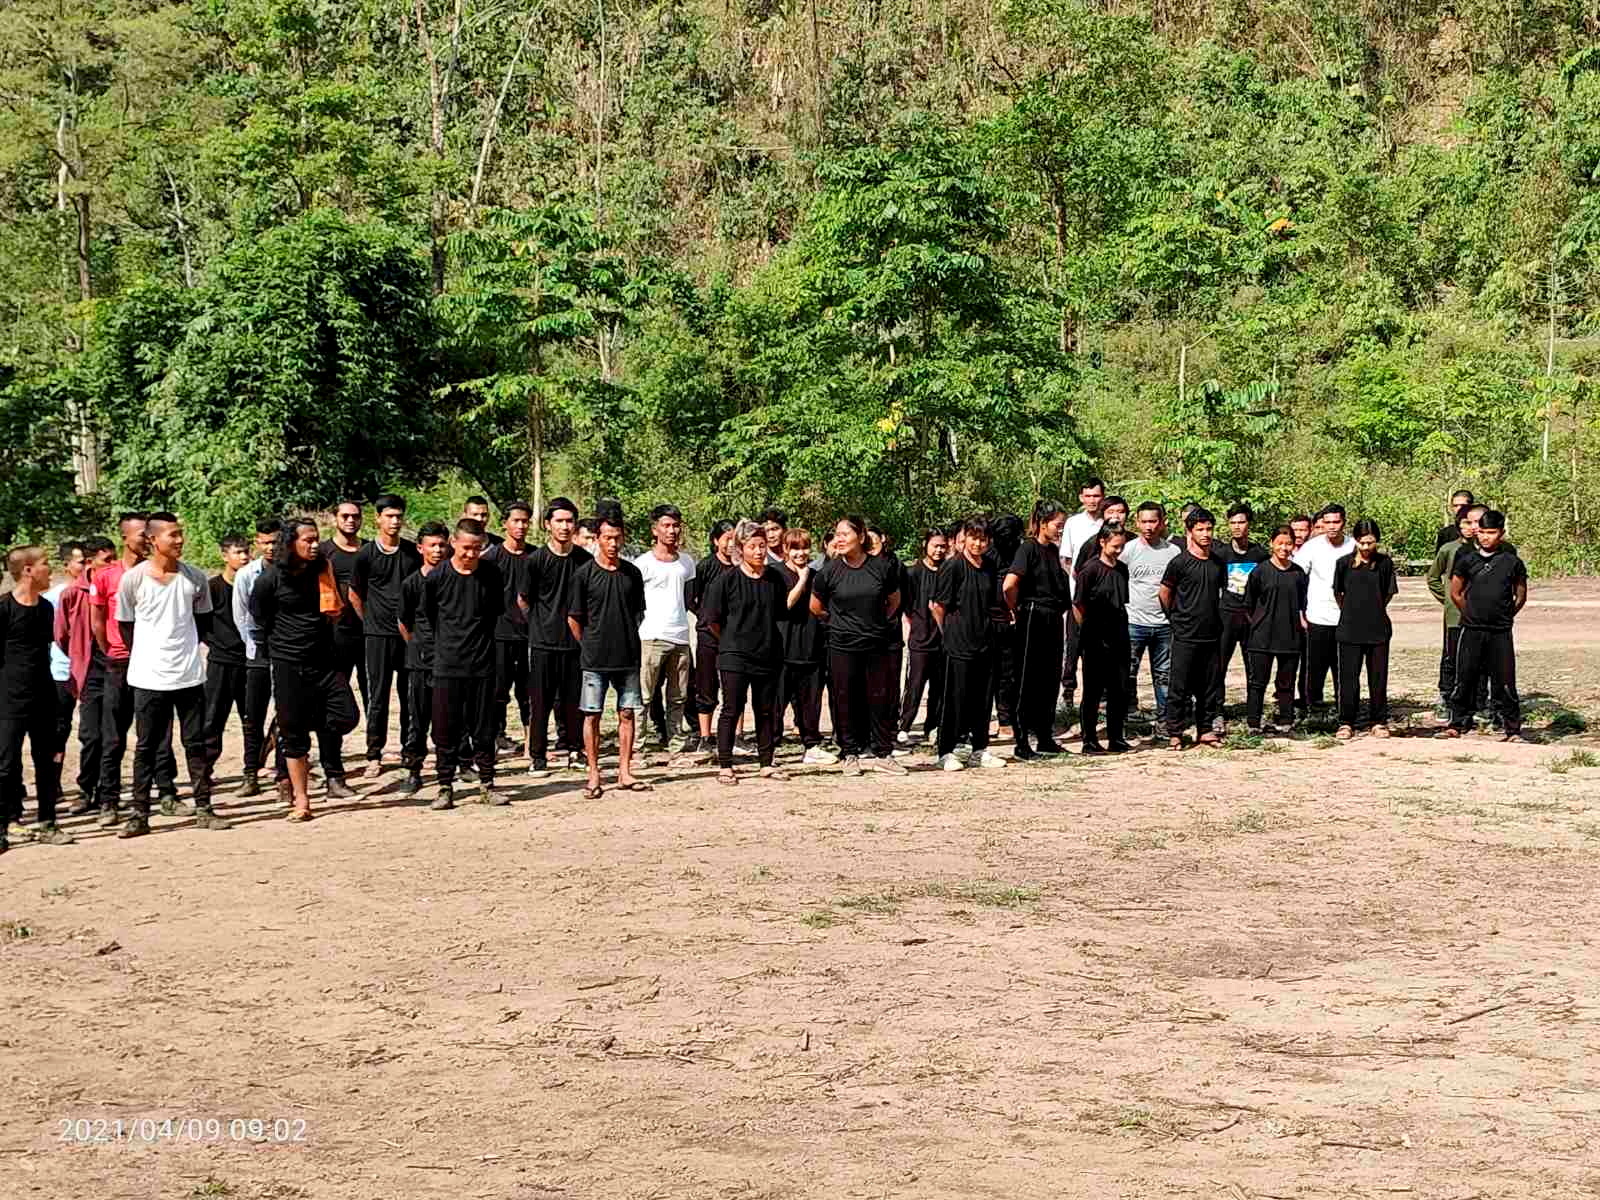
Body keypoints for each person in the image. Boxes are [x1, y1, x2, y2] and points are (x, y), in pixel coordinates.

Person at [113, 512, 228, 838]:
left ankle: (204, 808)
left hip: (189, 676)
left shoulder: (194, 578)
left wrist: (189, 653)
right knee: (146, 746)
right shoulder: (133, 579)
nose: (179, 541)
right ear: (153, 540)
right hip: (148, 678)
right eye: (173, 535)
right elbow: (126, 627)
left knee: (196, 743)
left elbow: (204, 622)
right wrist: (148, 656)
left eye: (181, 534)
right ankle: (139, 814)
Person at [251, 518, 359, 820]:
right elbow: (259, 617)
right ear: (290, 543)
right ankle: (301, 800)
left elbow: (335, 610)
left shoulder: (323, 570)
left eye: (316, 540)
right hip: (288, 664)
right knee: (295, 735)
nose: (314, 545)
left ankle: (289, 725)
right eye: (307, 540)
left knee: (346, 716)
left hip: (324, 659)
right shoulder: (270, 579)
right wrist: (280, 647)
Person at [810, 516, 906, 777]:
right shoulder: (829, 571)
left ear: (861, 537)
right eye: (836, 534)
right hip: (841, 645)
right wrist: (839, 624)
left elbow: (894, 601)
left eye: (845, 534)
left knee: (880, 699)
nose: (838, 539)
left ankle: (883, 753)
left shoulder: (881, 567)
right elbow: (816, 607)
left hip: (877, 644)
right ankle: (849, 753)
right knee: (845, 699)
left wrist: (876, 623)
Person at [421, 519, 506, 808]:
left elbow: (495, 613)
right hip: (447, 665)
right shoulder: (437, 577)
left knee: (484, 727)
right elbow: (430, 616)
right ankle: (445, 786)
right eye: (466, 548)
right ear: (454, 544)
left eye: (477, 549)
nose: (471, 554)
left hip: (482, 664)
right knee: (445, 728)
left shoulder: (492, 575)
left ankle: (487, 783)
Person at [700, 520, 788, 784]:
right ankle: (725, 764)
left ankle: (766, 762)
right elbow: (712, 621)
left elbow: (779, 614)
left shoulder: (776, 579)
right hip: (734, 655)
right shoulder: (726, 581)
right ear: (741, 548)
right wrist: (730, 640)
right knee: (732, 708)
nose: (759, 551)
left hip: (768, 654)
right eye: (753, 546)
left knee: (765, 711)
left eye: (762, 545)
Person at [568, 510, 648, 797]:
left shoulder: (633, 573)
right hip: (594, 659)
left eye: (617, 538)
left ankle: (625, 771)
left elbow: (638, 613)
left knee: (627, 713)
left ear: (623, 538)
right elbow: (574, 618)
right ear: (597, 539)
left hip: (628, 657)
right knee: (592, 715)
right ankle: (594, 773)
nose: (613, 543)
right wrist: (588, 644)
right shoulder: (583, 575)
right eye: (607, 538)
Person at [0, 546, 72, 850]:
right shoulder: (3, 608)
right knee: (5, 764)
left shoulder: (45, 608)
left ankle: (47, 822)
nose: (50, 569)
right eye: (44, 564)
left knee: (47, 761)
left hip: (43, 695)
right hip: (9, 699)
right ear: (28, 570)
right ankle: (3, 825)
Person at [349, 494, 421, 778]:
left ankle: (409, 749)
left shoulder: (411, 552)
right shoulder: (366, 554)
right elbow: (355, 593)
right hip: (377, 635)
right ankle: (373, 754)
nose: (394, 521)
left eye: (398, 516)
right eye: (389, 516)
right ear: (378, 518)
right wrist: (369, 621)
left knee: (409, 694)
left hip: (408, 635)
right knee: (377, 696)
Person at [1442, 510, 1527, 741]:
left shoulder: (1512, 562)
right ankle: (1457, 723)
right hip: (1471, 629)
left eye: (1492, 533)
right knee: (1465, 677)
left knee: (1506, 680)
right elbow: (1456, 592)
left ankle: (1511, 728)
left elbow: (1520, 595)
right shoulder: (1466, 559)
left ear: (1501, 533)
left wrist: (1506, 615)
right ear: (1476, 532)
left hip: (1500, 631)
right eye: (1482, 532)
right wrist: (1469, 613)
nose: (1486, 537)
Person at [522, 498, 591, 778]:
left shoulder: (584, 561)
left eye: (569, 521)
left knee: (575, 700)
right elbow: (523, 600)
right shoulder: (535, 560)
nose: (564, 526)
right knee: (541, 701)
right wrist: (541, 626)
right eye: (559, 521)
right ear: (547, 524)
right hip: (542, 643)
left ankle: (576, 749)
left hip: (575, 643)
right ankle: (538, 756)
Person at [931, 517, 1006, 771]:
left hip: (985, 641)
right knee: (955, 698)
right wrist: (949, 635)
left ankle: (980, 748)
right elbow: (938, 607)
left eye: (983, 539)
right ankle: (946, 750)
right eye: (973, 537)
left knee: (983, 699)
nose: (977, 543)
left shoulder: (989, 566)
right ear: (964, 539)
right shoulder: (953, 566)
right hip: (958, 643)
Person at [1003, 500, 1070, 760]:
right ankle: (1022, 742)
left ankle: (1045, 736)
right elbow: (1009, 585)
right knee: (1027, 679)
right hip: (1032, 615)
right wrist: (1015, 609)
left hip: (1053, 617)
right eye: (1057, 525)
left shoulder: (1052, 551)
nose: (1060, 530)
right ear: (1043, 524)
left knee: (1049, 678)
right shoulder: (1027, 549)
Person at [232, 519, 291, 800]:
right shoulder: (246, 575)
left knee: (286, 715)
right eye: (265, 542)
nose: (270, 547)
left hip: (285, 654)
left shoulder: (292, 571)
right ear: (257, 542)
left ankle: (284, 775)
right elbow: (242, 617)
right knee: (252, 718)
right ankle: (250, 772)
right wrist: (254, 648)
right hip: (257, 654)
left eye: (275, 541)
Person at [1159, 507, 1226, 749]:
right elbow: (1165, 592)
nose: (1206, 534)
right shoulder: (1179, 563)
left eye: (1209, 529)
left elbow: (1219, 593)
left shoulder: (1219, 563)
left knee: (1209, 686)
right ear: (1190, 531)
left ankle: (1206, 729)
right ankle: (1175, 732)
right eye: (1200, 529)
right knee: (1179, 685)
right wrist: (1175, 619)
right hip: (1185, 633)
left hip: (1211, 633)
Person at [634, 504, 695, 755]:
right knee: (644, 697)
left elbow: (690, 599)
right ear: (655, 529)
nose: (671, 530)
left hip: (681, 637)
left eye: (675, 525)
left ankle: (676, 745)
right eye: (666, 525)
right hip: (651, 637)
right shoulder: (642, 564)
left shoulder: (687, 562)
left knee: (678, 697)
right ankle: (636, 748)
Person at [1332, 519, 1398, 739]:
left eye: (1370, 543)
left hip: (1378, 628)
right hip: (1349, 628)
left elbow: (1388, 592)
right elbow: (1338, 593)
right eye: (1362, 542)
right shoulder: (1343, 564)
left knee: (1378, 677)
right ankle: (1346, 721)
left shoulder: (1385, 563)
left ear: (1376, 541)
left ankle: (1378, 720)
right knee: (1348, 677)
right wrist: (1351, 611)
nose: (1366, 547)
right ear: (1355, 541)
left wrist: (1375, 609)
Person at [396, 523, 449, 796]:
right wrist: (418, 647)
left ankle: (453, 767)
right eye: (432, 545)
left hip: (450, 660)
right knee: (417, 718)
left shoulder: (454, 579)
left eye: (442, 545)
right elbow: (404, 622)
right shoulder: (411, 583)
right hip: (419, 660)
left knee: (451, 719)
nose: (438, 550)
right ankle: (414, 770)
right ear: (420, 548)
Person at [201, 535, 258, 781]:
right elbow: (200, 624)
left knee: (252, 720)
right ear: (225, 556)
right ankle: (204, 771)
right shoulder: (212, 588)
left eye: (246, 551)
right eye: (238, 552)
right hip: (221, 663)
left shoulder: (254, 585)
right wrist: (219, 645)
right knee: (213, 719)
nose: (244, 557)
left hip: (250, 661)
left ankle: (252, 771)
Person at [1427, 504, 1490, 721]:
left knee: (1482, 659)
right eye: (1466, 523)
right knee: (1451, 657)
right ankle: (1447, 698)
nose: (1471, 528)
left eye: (1476, 523)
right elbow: (1433, 578)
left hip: (1483, 615)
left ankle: (1480, 702)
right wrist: (1447, 600)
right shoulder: (1449, 549)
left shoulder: (1489, 550)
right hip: (1455, 614)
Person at [776, 529, 834, 765]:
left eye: (804, 548)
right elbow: (785, 605)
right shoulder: (776, 574)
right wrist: (801, 579)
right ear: (785, 550)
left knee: (810, 702)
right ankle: (768, 748)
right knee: (775, 702)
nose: (800, 553)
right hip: (782, 649)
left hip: (811, 648)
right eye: (795, 548)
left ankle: (811, 745)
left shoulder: (818, 575)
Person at [1074, 525, 1132, 754]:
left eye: (1121, 546)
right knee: (1093, 691)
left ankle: (1116, 736)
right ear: (1102, 542)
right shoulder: (1090, 570)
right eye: (1115, 546)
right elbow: (1078, 605)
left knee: (1119, 689)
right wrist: (1087, 632)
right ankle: (1089, 739)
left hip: (1119, 634)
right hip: (1095, 638)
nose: (1118, 551)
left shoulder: (1122, 569)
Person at [1242, 526, 1307, 733]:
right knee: (1257, 682)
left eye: (1288, 544)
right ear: (1272, 543)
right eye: (1280, 543)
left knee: (1286, 683)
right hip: (1262, 637)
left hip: (1290, 635)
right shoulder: (1260, 571)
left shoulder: (1298, 573)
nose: (1284, 548)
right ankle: (1253, 722)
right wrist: (1258, 624)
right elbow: (1248, 604)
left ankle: (1286, 721)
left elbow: (1303, 603)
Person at [1122, 502, 1179, 733]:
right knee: (1128, 672)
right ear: (1136, 523)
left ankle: (1164, 721)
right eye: (1143, 521)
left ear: (1162, 522)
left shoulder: (1173, 552)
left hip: (1164, 624)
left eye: (1153, 521)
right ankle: (1125, 718)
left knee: (1164, 675)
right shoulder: (1128, 550)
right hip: (1134, 622)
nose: (1148, 527)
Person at [1211, 503, 1268, 732]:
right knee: (1218, 667)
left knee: (1254, 668)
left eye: (1241, 522)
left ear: (1249, 525)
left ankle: (1254, 715)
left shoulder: (1260, 554)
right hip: (1225, 616)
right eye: (1233, 522)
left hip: (1252, 618)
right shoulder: (1220, 554)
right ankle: (1216, 713)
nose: (1237, 527)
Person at [482, 500, 534, 754]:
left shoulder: (536, 556)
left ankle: (530, 743)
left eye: (525, 521)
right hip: (498, 635)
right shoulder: (490, 559)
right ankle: (492, 739)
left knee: (528, 692)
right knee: (497, 691)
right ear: (504, 524)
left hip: (529, 636)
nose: (521, 526)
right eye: (516, 520)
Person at [1292, 505, 1354, 713]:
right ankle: (1312, 709)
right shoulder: (1312, 547)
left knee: (1344, 668)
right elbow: (1297, 580)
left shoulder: (1353, 547)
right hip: (1317, 616)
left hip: (1346, 618)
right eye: (1327, 522)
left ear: (1344, 522)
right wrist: (1300, 612)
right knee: (1314, 668)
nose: (1332, 527)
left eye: (1336, 522)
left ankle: (1344, 710)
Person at [44, 542, 90, 815]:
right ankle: (52, 783)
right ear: (67, 566)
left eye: (87, 561)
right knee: (58, 731)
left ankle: (90, 785)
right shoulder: (55, 597)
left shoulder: (95, 592)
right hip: (62, 674)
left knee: (92, 732)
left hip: (91, 674)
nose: (84, 567)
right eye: (79, 562)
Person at [686, 519, 736, 759]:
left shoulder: (742, 567)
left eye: (735, 539)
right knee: (706, 686)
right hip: (708, 635)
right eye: (727, 539)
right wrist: (705, 617)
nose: (731, 544)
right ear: (716, 541)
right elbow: (690, 599)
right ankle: (705, 737)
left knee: (734, 688)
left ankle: (737, 736)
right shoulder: (705, 566)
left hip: (735, 637)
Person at [1059, 478, 1107, 716]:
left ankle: (1098, 696)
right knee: (1073, 644)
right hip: (1076, 595)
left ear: (1103, 496)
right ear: (1081, 498)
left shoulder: (1108, 523)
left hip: (1104, 597)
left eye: (1096, 496)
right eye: (1088, 496)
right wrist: (1080, 581)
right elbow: (1066, 559)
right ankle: (1068, 691)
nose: (1092, 501)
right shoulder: (1073, 523)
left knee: (1099, 648)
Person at [898, 529, 947, 745]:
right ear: (925, 545)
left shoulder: (948, 570)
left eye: (942, 546)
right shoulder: (912, 573)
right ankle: (904, 726)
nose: (939, 550)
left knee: (939, 686)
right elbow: (906, 605)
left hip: (943, 638)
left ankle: (933, 726)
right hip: (920, 637)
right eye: (935, 545)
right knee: (915, 684)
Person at [321, 500, 368, 713]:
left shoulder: (370, 550)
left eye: (356, 516)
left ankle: (374, 745)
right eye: (345, 516)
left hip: (369, 631)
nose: (351, 520)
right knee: (336, 691)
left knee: (374, 691)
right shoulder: (323, 552)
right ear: (334, 519)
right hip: (335, 633)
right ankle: (332, 743)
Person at [986, 515, 1025, 740]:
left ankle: (1008, 718)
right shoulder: (988, 555)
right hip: (991, 621)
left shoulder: (1022, 552)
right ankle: (994, 720)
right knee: (991, 674)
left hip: (1015, 620)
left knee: (1010, 673)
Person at [1072, 497, 1128, 572]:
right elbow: (1078, 572)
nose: (1116, 516)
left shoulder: (1134, 540)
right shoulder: (1092, 543)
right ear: (1103, 515)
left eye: (1121, 512)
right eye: (1110, 512)